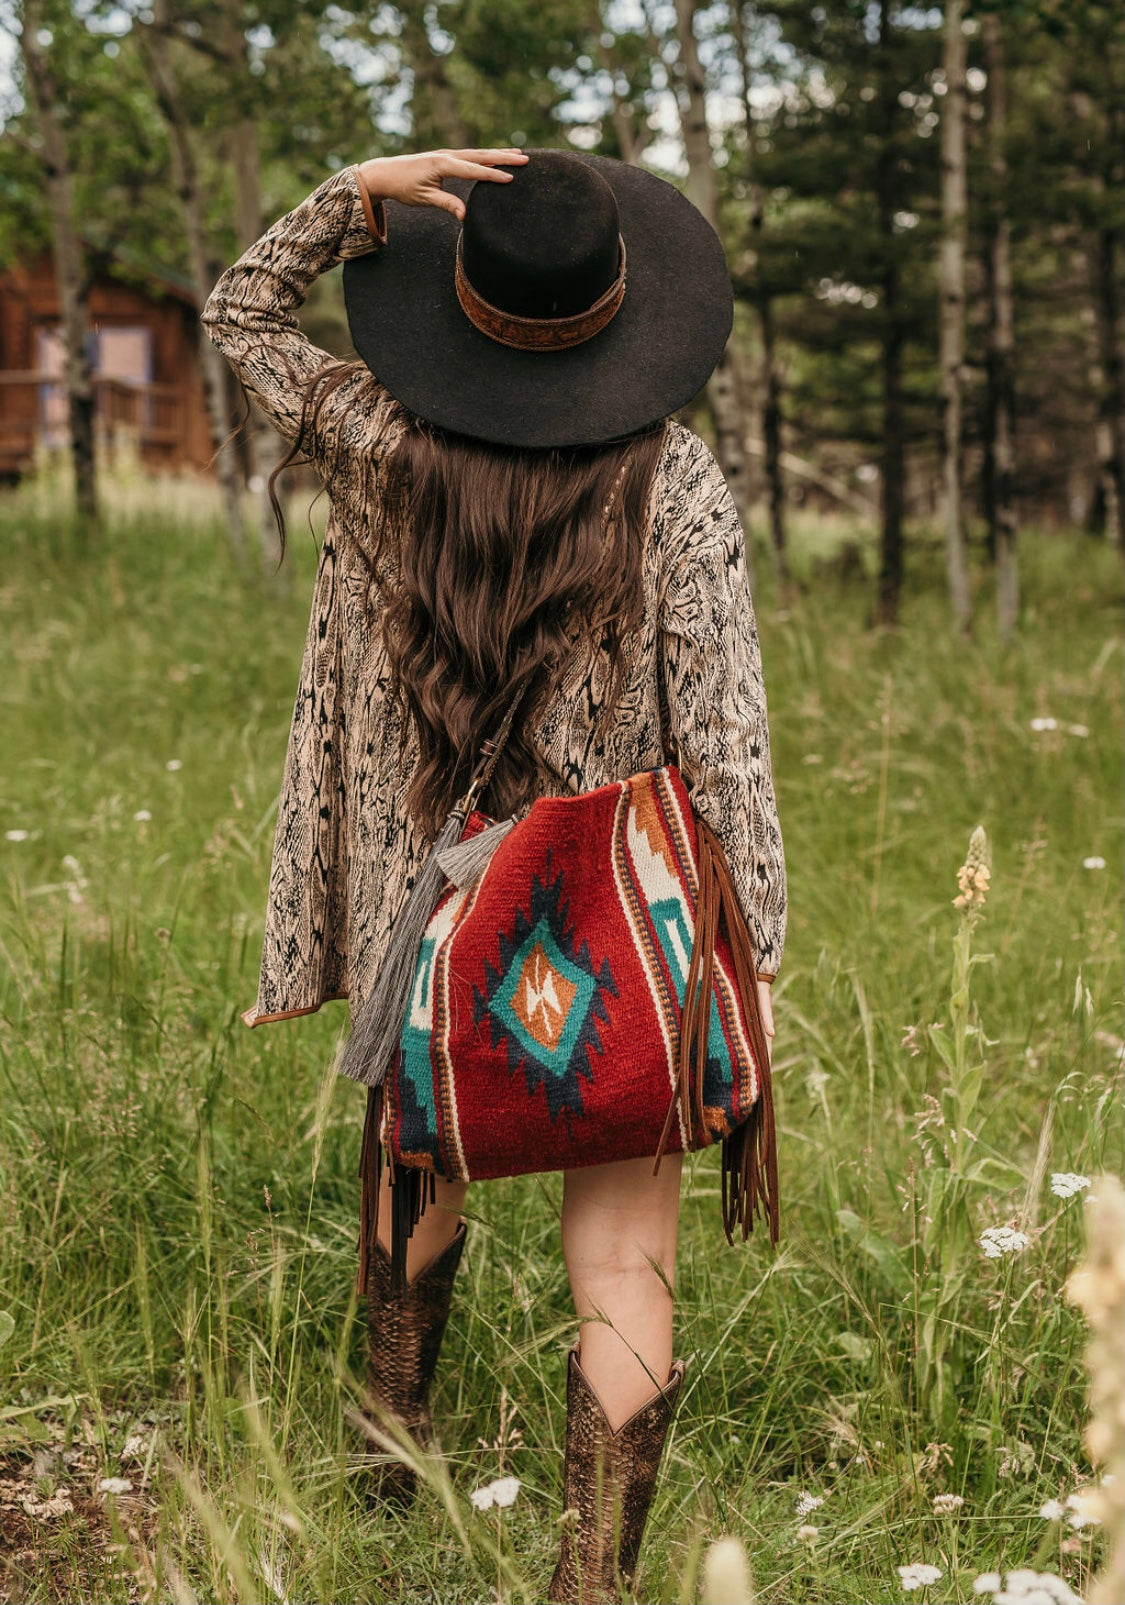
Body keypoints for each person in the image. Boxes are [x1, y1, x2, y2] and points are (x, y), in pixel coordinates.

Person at [202, 145, 786, 1604]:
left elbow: (239, 312)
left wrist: (354, 193)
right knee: (626, 1243)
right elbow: (725, 728)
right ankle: (588, 1578)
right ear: (624, 310)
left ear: (460, 309)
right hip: (618, 910)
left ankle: (386, 1469)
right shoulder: (677, 479)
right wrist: (749, 939)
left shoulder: (373, 439)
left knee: (417, 1161)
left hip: (436, 905)